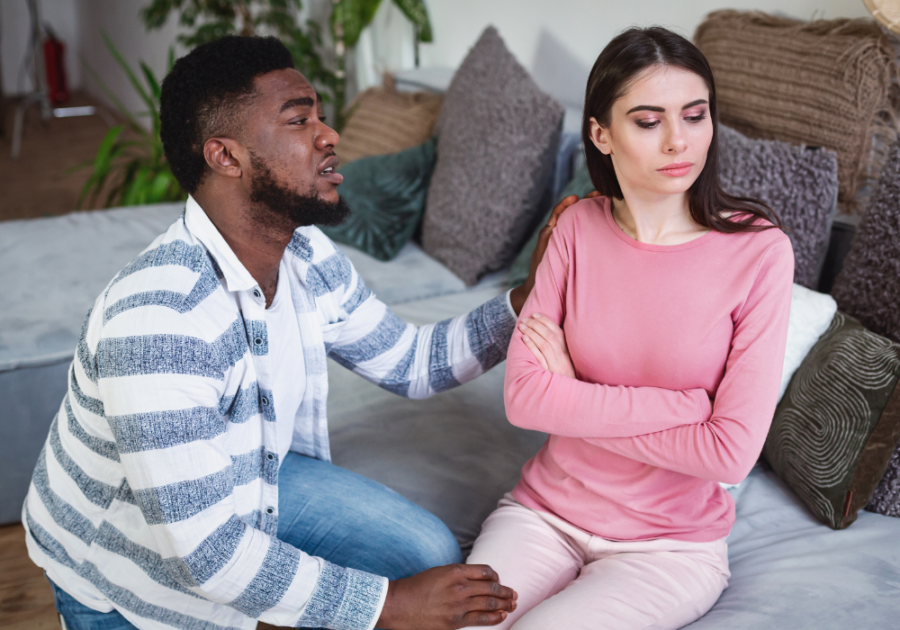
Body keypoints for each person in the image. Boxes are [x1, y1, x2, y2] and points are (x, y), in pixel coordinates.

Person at [22, 35, 578, 630]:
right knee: (390, 594)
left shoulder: (305, 251)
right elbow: (207, 557)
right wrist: (388, 606)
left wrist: (524, 296)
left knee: (429, 558)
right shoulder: (159, 323)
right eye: (299, 119)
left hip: (252, 475)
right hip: (123, 575)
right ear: (225, 157)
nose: (329, 134)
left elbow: (413, 362)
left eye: (319, 114)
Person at [463, 27, 795, 630]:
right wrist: (686, 408)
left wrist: (574, 400)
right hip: (543, 515)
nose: (678, 140)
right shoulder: (574, 229)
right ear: (601, 134)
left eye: (695, 116)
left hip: (668, 549)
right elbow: (523, 399)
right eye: (648, 122)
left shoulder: (760, 252)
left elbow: (728, 454)